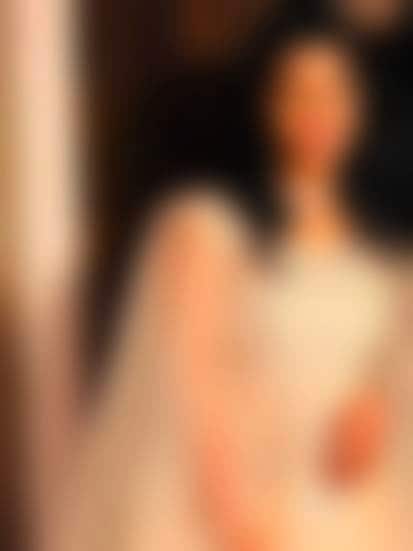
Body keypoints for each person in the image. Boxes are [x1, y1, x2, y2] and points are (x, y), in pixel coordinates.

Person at [55, 24, 412, 551]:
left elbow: (390, 366)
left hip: (365, 504)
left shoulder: (385, 247)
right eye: (298, 92)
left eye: (336, 92)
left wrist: (380, 407)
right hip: (256, 500)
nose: (318, 112)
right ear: (264, 103)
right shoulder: (209, 230)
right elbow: (197, 389)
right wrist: (240, 518)